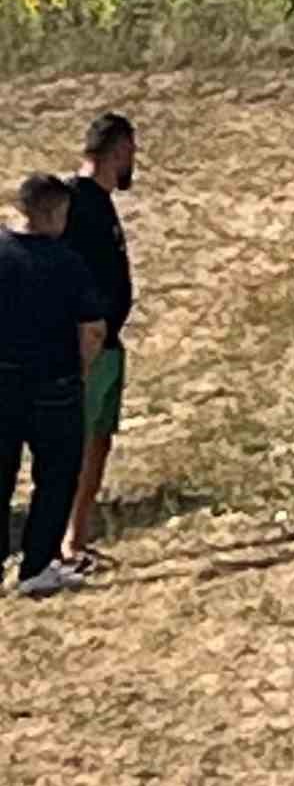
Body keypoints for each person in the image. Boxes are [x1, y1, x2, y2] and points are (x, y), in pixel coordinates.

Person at [1, 174, 107, 599]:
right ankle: (37, 564)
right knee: (56, 475)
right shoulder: (66, 263)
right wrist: (81, 372)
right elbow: (93, 329)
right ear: (53, 213)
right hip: (53, 385)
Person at [59, 111, 137, 573]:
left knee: (98, 440)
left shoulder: (101, 201)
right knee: (74, 443)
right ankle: (59, 546)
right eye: (131, 153)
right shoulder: (76, 202)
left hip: (109, 343)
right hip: (84, 347)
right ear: (119, 149)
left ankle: (77, 537)